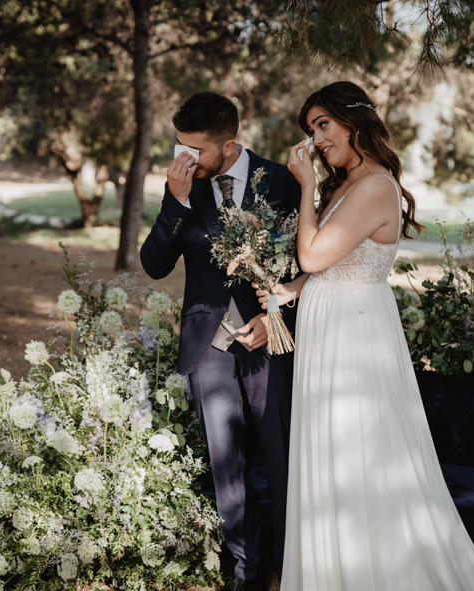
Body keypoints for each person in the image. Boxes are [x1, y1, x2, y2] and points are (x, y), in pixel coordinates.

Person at [255, 81, 474, 591]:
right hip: (329, 330)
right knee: (330, 455)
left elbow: (313, 254)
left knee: (355, 455)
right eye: (311, 130)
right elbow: (331, 262)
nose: (316, 139)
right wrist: (292, 290)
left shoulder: (375, 186)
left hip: (353, 340)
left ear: (354, 121)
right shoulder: (347, 184)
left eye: (323, 125)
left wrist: (304, 186)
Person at [140, 92, 302, 591]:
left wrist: (277, 316)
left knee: (283, 459)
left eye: (194, 149)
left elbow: (309, 263)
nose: (183, 157)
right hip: (208, 345)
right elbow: (154, 264)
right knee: (226, 465)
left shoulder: (283, 181)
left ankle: (291, 569)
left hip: (270, 341)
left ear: (229, 145)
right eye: (178, 145)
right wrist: (177, 200)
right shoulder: (184, 185)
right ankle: (246, 574)